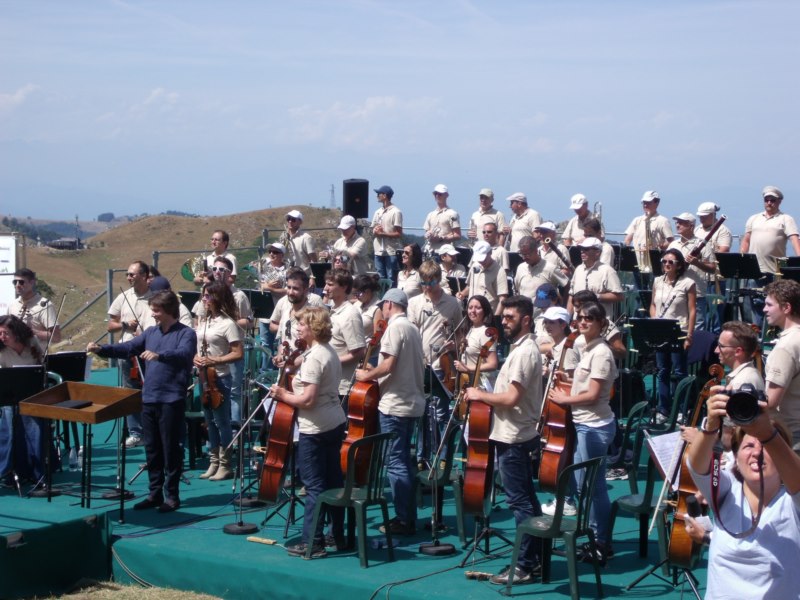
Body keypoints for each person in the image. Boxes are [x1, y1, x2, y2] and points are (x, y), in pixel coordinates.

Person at [88, 291, 196, 512]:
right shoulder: (150, 332)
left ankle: (172, 496)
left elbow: (184, 354)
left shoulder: (186, 333)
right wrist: (102, 350)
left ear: (168, 311)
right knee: (152, 448)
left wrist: (160, 355)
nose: (153, 314)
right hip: (149, 398)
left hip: (171, 398)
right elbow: (128, 348)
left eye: (156, 310)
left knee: (170, 449)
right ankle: (154, 493)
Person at [462, 296, 544, 585]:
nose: (504, 321)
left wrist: (478, 395)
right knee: (527, 502)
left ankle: (524, 566)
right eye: (504, 316)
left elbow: (511, 398)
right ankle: (534, 559)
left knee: (520, 503)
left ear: (525, 320)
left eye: (510, 317)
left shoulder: (524, 353)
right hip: (514, 435)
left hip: (515, 438)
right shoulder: (521, 349)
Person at [687, 393, 800, 599]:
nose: (757, 452)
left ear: (781, 457)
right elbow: (697, 467)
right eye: (748, 446)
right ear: (736, 459)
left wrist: (767, 432)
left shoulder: (793, 505)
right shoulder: (726, 491)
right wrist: (711, 424)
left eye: (765, 446)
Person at [269, 307, 347, 558]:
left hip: (315, 428)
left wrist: (282, 395)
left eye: (302, 324)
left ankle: (311, 541)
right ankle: (337, 535)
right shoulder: (327, 351)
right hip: (334, 422)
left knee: (314, 485)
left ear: (313, 327)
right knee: (334, 480)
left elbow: (309, 399)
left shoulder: (315, 357)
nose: (299, 328)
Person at [548, 301, 618, 563]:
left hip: (594, 426)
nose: (584, 322)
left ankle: (601, 543)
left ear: (601, 323)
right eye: (581, 318)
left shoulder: (601, 353)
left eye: (590, 318)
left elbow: (594, 394)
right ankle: (593, 537)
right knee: (582, 484)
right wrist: (567, 381)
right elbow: (584, 384)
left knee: (595, 486)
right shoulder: (588, 349)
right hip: (584, 424)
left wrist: (564, 400)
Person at [355, 289, 425, 535]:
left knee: (396, 462)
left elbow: (388, 364)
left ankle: (403, 519)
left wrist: (366, 374)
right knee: (404, 460)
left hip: (396, 403)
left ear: (388, 305)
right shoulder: (413, 328)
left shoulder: (395, 328)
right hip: (411, 402)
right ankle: (408, 516)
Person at [194, 281, 243, 481]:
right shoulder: (204, 322)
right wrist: (195, 358)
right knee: (209, 421)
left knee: (222, 421)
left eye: (208, 296)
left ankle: (225, 463)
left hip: (220, 377)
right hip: (204, 377)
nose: (204, 300)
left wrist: (216, 359)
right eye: (203, 296)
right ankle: (213, 461)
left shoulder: (228, 324)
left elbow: (237, 352)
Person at [108, 260, 152, 448]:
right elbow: (111, 325)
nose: (128, 278)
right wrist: (125, 325)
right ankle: (135, 432)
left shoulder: (155, 297)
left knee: (150, 391)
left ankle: (151, 431)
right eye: (127, 274)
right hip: (128, 350)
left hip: (150, 350)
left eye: (132, 274)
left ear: (144, 276)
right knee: (129, 391)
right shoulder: (123, 297)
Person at [0, 315, 46, 486]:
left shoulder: (31, 342)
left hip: (32, 394)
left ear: (16, 333)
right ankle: (8, 471)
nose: (2, 337)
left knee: (34, 427)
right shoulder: (2, 351)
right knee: (9, 426)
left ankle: (37, 472)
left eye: (5, 333)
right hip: (10, 396)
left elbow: (42, 365)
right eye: (0, 334)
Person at [650, 249, 696, 419]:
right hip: (661, 330)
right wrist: (654, 320)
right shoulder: (657, 281)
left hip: (679, 330)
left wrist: (689, 335)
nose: (667, 265)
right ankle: (663, 408)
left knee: (679, 371)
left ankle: (682, 409)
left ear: (679, 265)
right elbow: (653, 304)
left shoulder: (688, 283)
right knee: (662, 370)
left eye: (671, 262)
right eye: (664, 261)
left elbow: (692, 311)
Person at [762, 279, 800, 451]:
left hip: (791, 435)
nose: (764, 310)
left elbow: (770, 401)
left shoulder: (786, 347)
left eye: (769, 305)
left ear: (786, 308)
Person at [668, 212, 716, 331]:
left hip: (696, 292)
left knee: (697, 326)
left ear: (691, 226)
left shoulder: (703, 244)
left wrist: (697, 262)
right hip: (675, 291)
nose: (678, 225)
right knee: (677, 325)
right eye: (677, 222)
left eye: (682, 223)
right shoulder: (673, 244)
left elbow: (712, 268)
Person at [323, 269, 365, 398]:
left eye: (330, 285)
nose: (325, 288)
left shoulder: (350, 314)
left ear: (344, 287)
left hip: (342, 388)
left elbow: (358, 352)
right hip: (329, 383)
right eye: (326, 284)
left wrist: (330, 361)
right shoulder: (333, 310)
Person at [741, 186, 800, 278]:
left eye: (772, 200)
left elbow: (794, 239)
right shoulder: (753, 218)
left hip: (777, 269)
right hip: (755, 269)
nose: (769, 203)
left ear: (779, 201)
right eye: (766, 200)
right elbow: (746, 240)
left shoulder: (786, 219)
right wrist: (742, 258)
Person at [269, 267, 324, 363]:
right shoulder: (286, 312)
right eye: (289, 287)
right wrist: (279, 355)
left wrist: (297, 361)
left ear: (306, 290)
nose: (290, 292)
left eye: (295, 289)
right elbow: (283, 341)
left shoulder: (313, 314)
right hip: (286, 371)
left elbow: (321, 346)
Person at [624, 191, 674, 288]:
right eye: (644, 202)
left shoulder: (662, 220)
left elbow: (671, 241)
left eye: (648, 202)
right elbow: (627, 239)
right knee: (639, 293)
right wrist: (628, 250)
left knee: (654, 291)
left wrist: (660, 246)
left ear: (656, 203)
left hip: (654, 263)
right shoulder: (637, 220)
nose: (645, 205)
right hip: (638, 262)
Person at [567, 237, 623, 319]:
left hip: (599, 322)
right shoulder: (578, 269)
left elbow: (619, 296)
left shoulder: (607, 271)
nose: (582, 251)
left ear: (597, 252)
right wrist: (567, 318)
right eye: (581, 249)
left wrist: (596, 297)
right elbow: (571, 295)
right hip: (578, 322)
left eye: (586, 249)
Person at [452, 294, 500, 391]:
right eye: (470, 308)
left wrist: (467, 368)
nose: (472, 311)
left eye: (477, 308)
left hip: (481, 386)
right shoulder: (470, 329)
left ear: (485, 311)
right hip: (469, 384)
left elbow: (492, 364)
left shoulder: (486, 333)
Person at [7, 268, 61, 344]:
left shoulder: (45, 305)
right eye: (15, 282)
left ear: (32, 283)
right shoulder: (12, 305)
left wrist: (33, 332)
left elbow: (56, 337)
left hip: (37, 354)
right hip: (15, 354)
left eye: (21, 282)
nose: (17, 285)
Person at [457, 241, 509, 315]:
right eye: (479, 259)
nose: (481, 261)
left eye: (484, 258)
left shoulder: (499, 271)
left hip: (488, 315)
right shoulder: (475, 265)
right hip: (472, 313)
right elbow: (470, 286)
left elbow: (503, 299)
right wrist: (462, 293)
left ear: (490, 253)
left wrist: (496, 318)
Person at [514, 236, 569, 301]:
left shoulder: (550, 268)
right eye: (522, 254)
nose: (524, 258)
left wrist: (564, 303)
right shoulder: (520, 268)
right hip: (524, 310)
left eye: (527, 254)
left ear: (536, 251)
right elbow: (517, 289)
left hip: (545, 310)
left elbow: (567, 285)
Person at [370, 185, 403, 282]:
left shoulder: (396, 212)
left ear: (384, 195)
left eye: (378, 194)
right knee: (380, 277)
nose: (377, 196)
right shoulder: (377, 212)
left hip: (391, 250)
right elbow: (373, 228)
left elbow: (399, 233)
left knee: (391, 277)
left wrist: (383, 234)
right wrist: (375, 231)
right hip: (378, 250)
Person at [423, 184, 462, 256]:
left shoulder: (452, 214)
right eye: (435, 194)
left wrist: (441, 239)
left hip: (445, 252)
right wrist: (428, 235)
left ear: (446, 195)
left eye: (440, 194)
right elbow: (426, 232)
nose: (437, 196)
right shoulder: (430, 214)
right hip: (430, 251)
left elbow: (457, 235)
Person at [283, 210, 318, 287]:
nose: (290, 221)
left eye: (293, 219)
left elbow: (314, 260)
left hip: (304, 278)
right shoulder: (284, 238)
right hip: (288, 278)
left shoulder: (306, 238)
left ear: (300, 222)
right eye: (288, 219)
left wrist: (312, 277)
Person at [352, 273, 382, 344]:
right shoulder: (357, 304)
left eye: (358, 293)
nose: (356, 297)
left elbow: (377, 337)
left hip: (367, 350)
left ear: (367, 291)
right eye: (354, 293)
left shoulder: (378, 308)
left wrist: (366, 352)